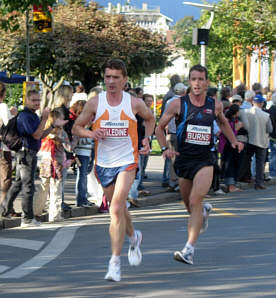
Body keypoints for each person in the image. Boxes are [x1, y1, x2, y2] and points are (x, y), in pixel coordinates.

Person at [72, 59, 155, 282]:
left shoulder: (134, 103)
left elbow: (150, 118)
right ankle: (133, 236)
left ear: (124, 80)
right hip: (104, 163)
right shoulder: (95, 103)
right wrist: (91, 134)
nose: (111, 81)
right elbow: (76, 127)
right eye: (108, 77)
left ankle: (115, 262)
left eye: (116, 77)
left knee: (117, 207)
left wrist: (147, 139)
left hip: (128, 160)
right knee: (117, 210)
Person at [155, 64, 243, 265]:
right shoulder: (177, 104)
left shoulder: (215, 105)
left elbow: (222, 123)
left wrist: (233, 141)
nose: (197, 83)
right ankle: (202, 212)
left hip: (206, 160)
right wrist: (164, 148)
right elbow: (159, 128)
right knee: (189, 205)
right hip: (184, 159)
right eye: (193, 79)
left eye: (200, 79)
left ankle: (189, 250)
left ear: (206, 82)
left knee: (195, 200)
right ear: (189, 81)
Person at [0, 90, 67, 227]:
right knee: (28, 186)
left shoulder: (32, 115)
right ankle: (27, 218)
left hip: (29, 153)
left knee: (19, 183)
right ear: (27, 100)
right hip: (26, 154)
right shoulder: (26, 116)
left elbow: (41, 135)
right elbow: (36, 135)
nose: (37, 103)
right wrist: (44, 118)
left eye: (38, 100)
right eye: (34, 100)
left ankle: (4, 209)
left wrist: (53, 125)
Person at [240, 94, 273, 189]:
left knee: (246, 160)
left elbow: (244, 126)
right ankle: (259, 183)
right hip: (261, 141)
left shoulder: (245, 112)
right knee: (260, 163)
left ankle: (243, 177)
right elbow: (270, 129)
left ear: (253, 102)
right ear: (262, 103)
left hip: (249, 139)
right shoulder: (266, 115)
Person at [52, 85, 75, 211]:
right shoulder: (62, 110)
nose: (72, 95)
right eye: (71, 92)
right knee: (60, 176)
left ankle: (59, 201)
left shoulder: (62, 109)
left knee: (60, 176)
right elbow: (62, 129)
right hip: (62, 145)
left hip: (62, 145)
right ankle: (58, 202)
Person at [165, 82, 187, 192]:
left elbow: (165, 117)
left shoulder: (169, 101)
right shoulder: (183, 102)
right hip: (179, 133)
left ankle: (171, 181)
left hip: (170, 132)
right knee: (179, 158)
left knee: (172, 158)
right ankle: (178, 182)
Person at [0, 82, 17, 208]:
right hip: (2, 148)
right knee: (5, 177)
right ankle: (5, 207)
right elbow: (9, 125)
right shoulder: (3, 106)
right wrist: (13, 114)